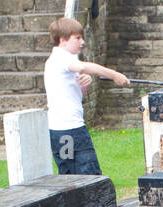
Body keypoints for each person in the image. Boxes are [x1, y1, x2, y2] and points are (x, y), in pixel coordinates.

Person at [44, 17, 129, 175]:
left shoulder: (57, 61)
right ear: (63, 40)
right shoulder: (62, 58)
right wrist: (115, 75)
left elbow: (77, 97)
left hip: (60, 132)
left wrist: (85, 85)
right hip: (72, 131)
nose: (82, 42)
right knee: (89, 177)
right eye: (77, 38)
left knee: (69, 175)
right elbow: (86, 66)